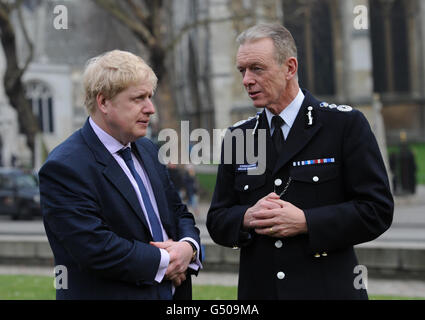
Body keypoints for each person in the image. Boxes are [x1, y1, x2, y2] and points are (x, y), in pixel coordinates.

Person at [207, 23, 394, 300]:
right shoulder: (240, 136)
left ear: (290, 68)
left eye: (257, 68)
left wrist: (307, 221)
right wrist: (246, 217)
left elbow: (376, 210)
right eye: (242, 70)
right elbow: (217, 219)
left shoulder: (342, 125)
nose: (246, 80)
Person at [39, 50, 201, 300]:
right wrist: (168, 260)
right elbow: (95, 248)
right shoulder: (65, 167)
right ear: (104, 102)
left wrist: (188, 247)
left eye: (150, 97)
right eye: (138, 99)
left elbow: (178, 212)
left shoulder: (148, 149)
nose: (151, 109)